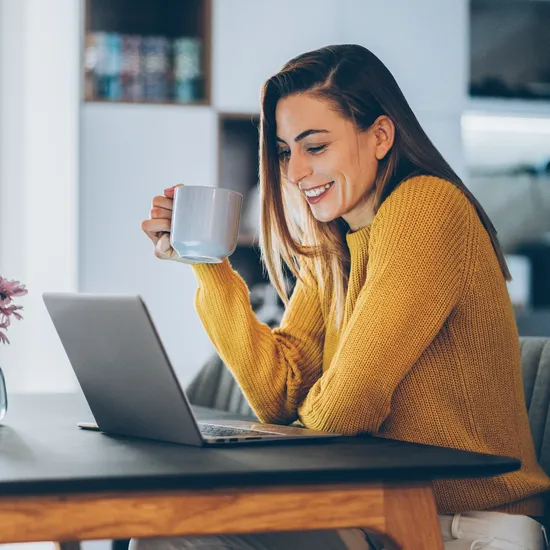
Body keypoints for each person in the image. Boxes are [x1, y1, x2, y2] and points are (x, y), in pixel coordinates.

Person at [138, 44, 550, 549]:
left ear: (379, 135)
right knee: (166, 536)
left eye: (315, 147)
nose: (293, 173)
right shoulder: (334, 246)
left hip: (465, 526)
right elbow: (277, 396)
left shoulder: (427, 207)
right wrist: (208, 264)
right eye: (286, 151)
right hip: (373, 510)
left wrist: (311, 411)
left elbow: (346, 409)